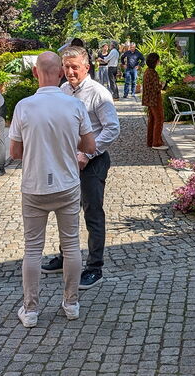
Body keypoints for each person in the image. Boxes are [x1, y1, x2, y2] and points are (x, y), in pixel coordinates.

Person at [10, 51, 96, 327]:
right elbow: (91, 147)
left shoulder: (23, 106)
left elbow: (14, 152)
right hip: (66, 183)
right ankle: (71, 303)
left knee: (33, 248)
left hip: (34, 185)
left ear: (35, 72)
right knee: (71, 244)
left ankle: (31, 309)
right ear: (60, 72)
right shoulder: (74, 105)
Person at [41, 46, 121, 290]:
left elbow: (112, 128)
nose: (70, 71)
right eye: (66, 67)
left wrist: (88, 153)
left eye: (75, 66)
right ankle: (65, 256)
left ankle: (95, 267)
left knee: (92, 213)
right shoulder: (62, 90)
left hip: (92, 162)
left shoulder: (99, 93)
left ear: (87, 67)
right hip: (66, 162)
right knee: (66, 211)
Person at [141, 52, 166, 150]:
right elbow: (156, 87)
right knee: (159, 119)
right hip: (154, 99)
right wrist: (162, 85)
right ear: (155, 61)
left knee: (152, 120)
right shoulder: (153, 72)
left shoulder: (147, 71)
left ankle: (150, 141)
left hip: (149, 99)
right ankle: (157, 142)